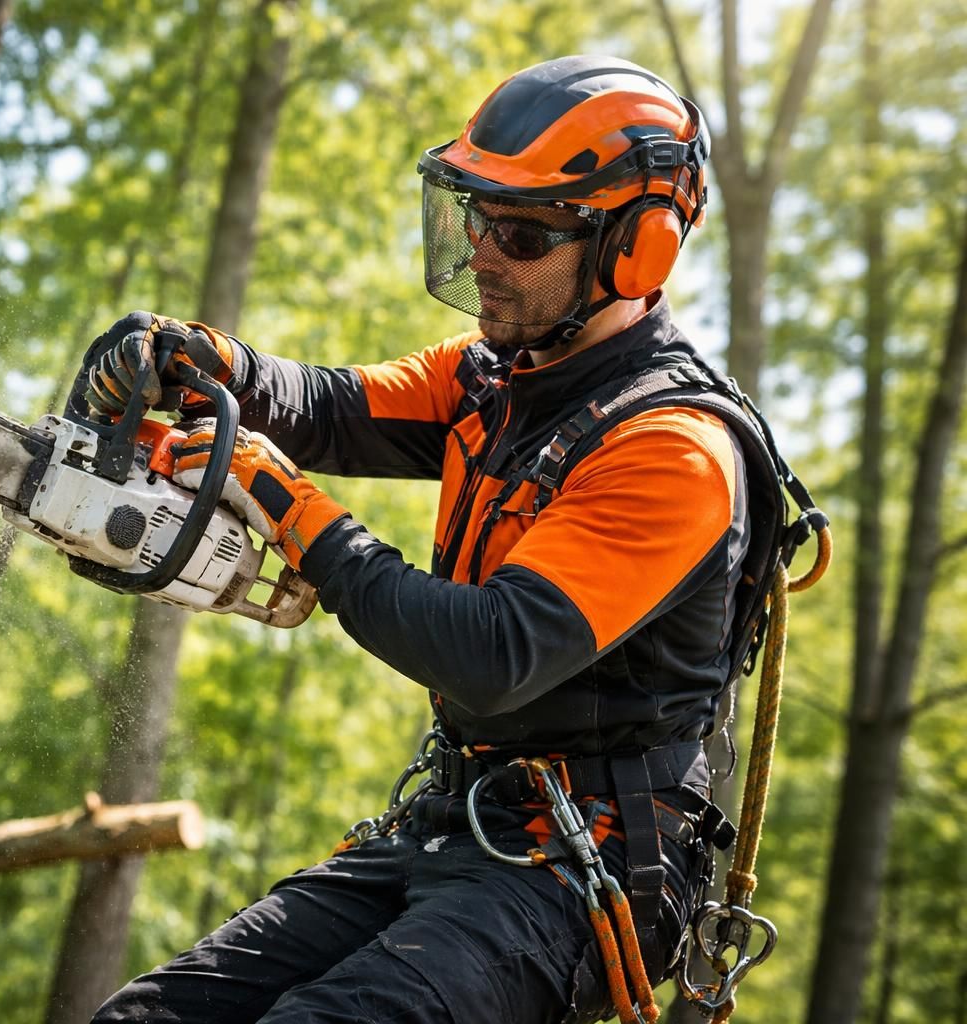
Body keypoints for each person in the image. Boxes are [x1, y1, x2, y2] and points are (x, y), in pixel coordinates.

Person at [78, 55, 772, 1024]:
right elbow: (329, 405)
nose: (485, 252)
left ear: (636, 248)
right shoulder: (495, 372)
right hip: (458, 819)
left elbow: (488, 654)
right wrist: (204, 359)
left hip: (588, 865)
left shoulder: (671, 450)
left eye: (522, 233)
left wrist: (291, 506)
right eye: (478, 215)